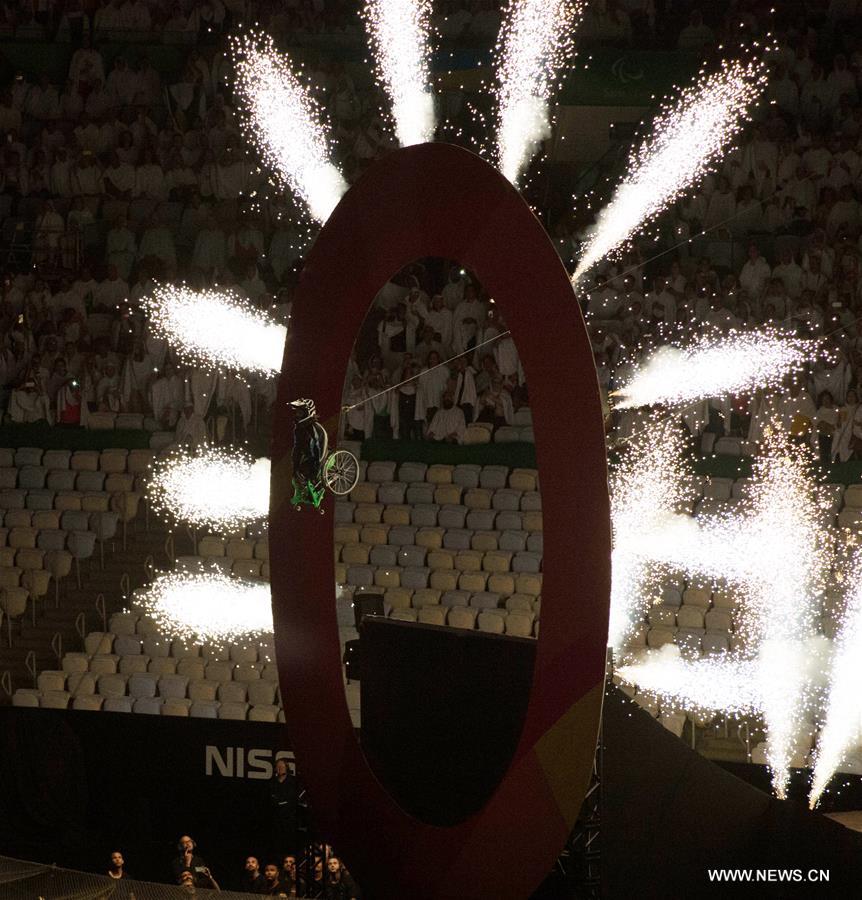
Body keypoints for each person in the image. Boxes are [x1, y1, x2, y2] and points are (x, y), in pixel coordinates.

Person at [289, 398, 326, 509]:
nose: (297, 415)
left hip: (317, 457)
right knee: (297, 476)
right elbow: (297, 447)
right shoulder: (299, 428)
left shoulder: (313, 428)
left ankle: (317, 491)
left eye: (300, 412)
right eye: (296, 412)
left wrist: (316, 468)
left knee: (307, 475)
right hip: (308, 457)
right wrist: (295, 465)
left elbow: (319, 450)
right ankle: (302, 494)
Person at [270, 758, 298, 857]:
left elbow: (293, 797)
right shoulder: (272, 781)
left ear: (286, 768)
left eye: (282, 766)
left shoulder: (293, 780)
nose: (280, 768)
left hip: (289, 817)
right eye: (278, 767)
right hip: (276, 817)